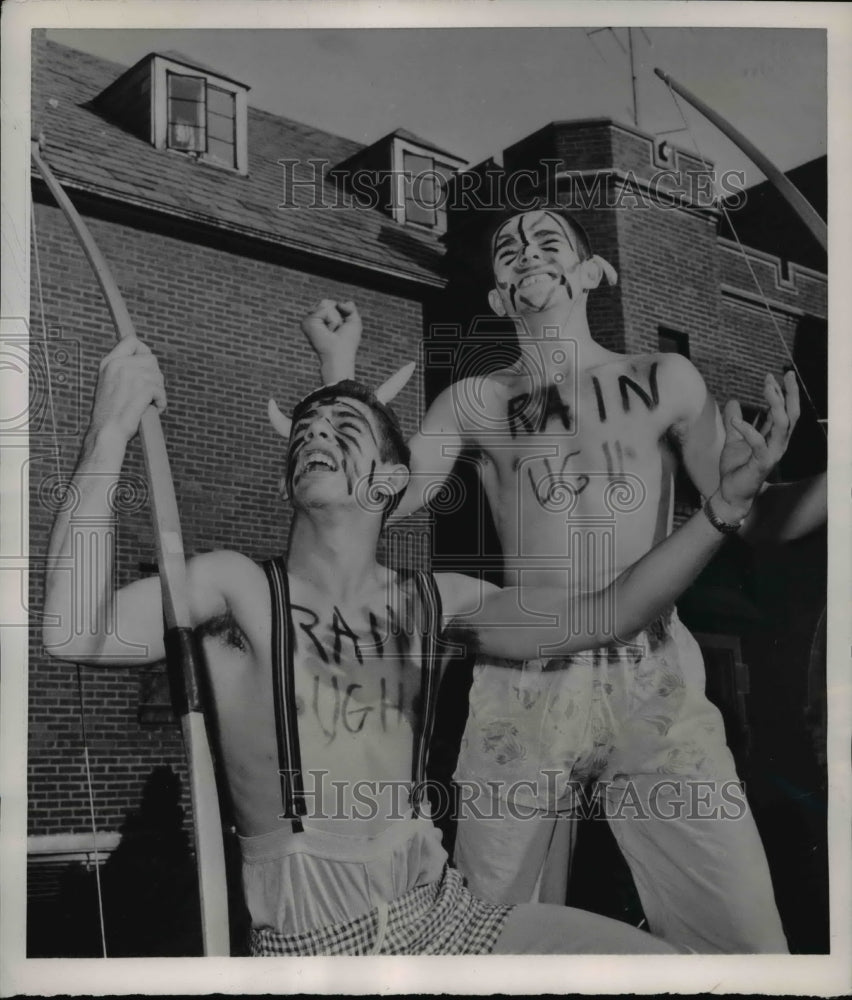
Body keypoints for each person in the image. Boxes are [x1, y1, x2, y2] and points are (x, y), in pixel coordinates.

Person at [42, 333, 796, 956]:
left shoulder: (433, 600)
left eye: (345, 432)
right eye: (305, 435)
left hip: (443, 923)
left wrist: (722, 510)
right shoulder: (237, 589)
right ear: (284, 487)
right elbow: (74, 629)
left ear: (391, 482)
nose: (316, 438)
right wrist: (107, 431)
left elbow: (607, 614)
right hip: (322, 946)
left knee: (664, 969)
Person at [299, 201, 824, 954]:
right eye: (507, 251)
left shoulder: (664, 377)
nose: (524, 251)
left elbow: (754, 518)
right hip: (526, 678)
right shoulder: (475, 400)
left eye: (548, 240)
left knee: (745, 938)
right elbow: (381, 498)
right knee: (488, 937)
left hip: (653, 681)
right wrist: (339, 369)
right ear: (495, 296)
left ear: (591, 272)